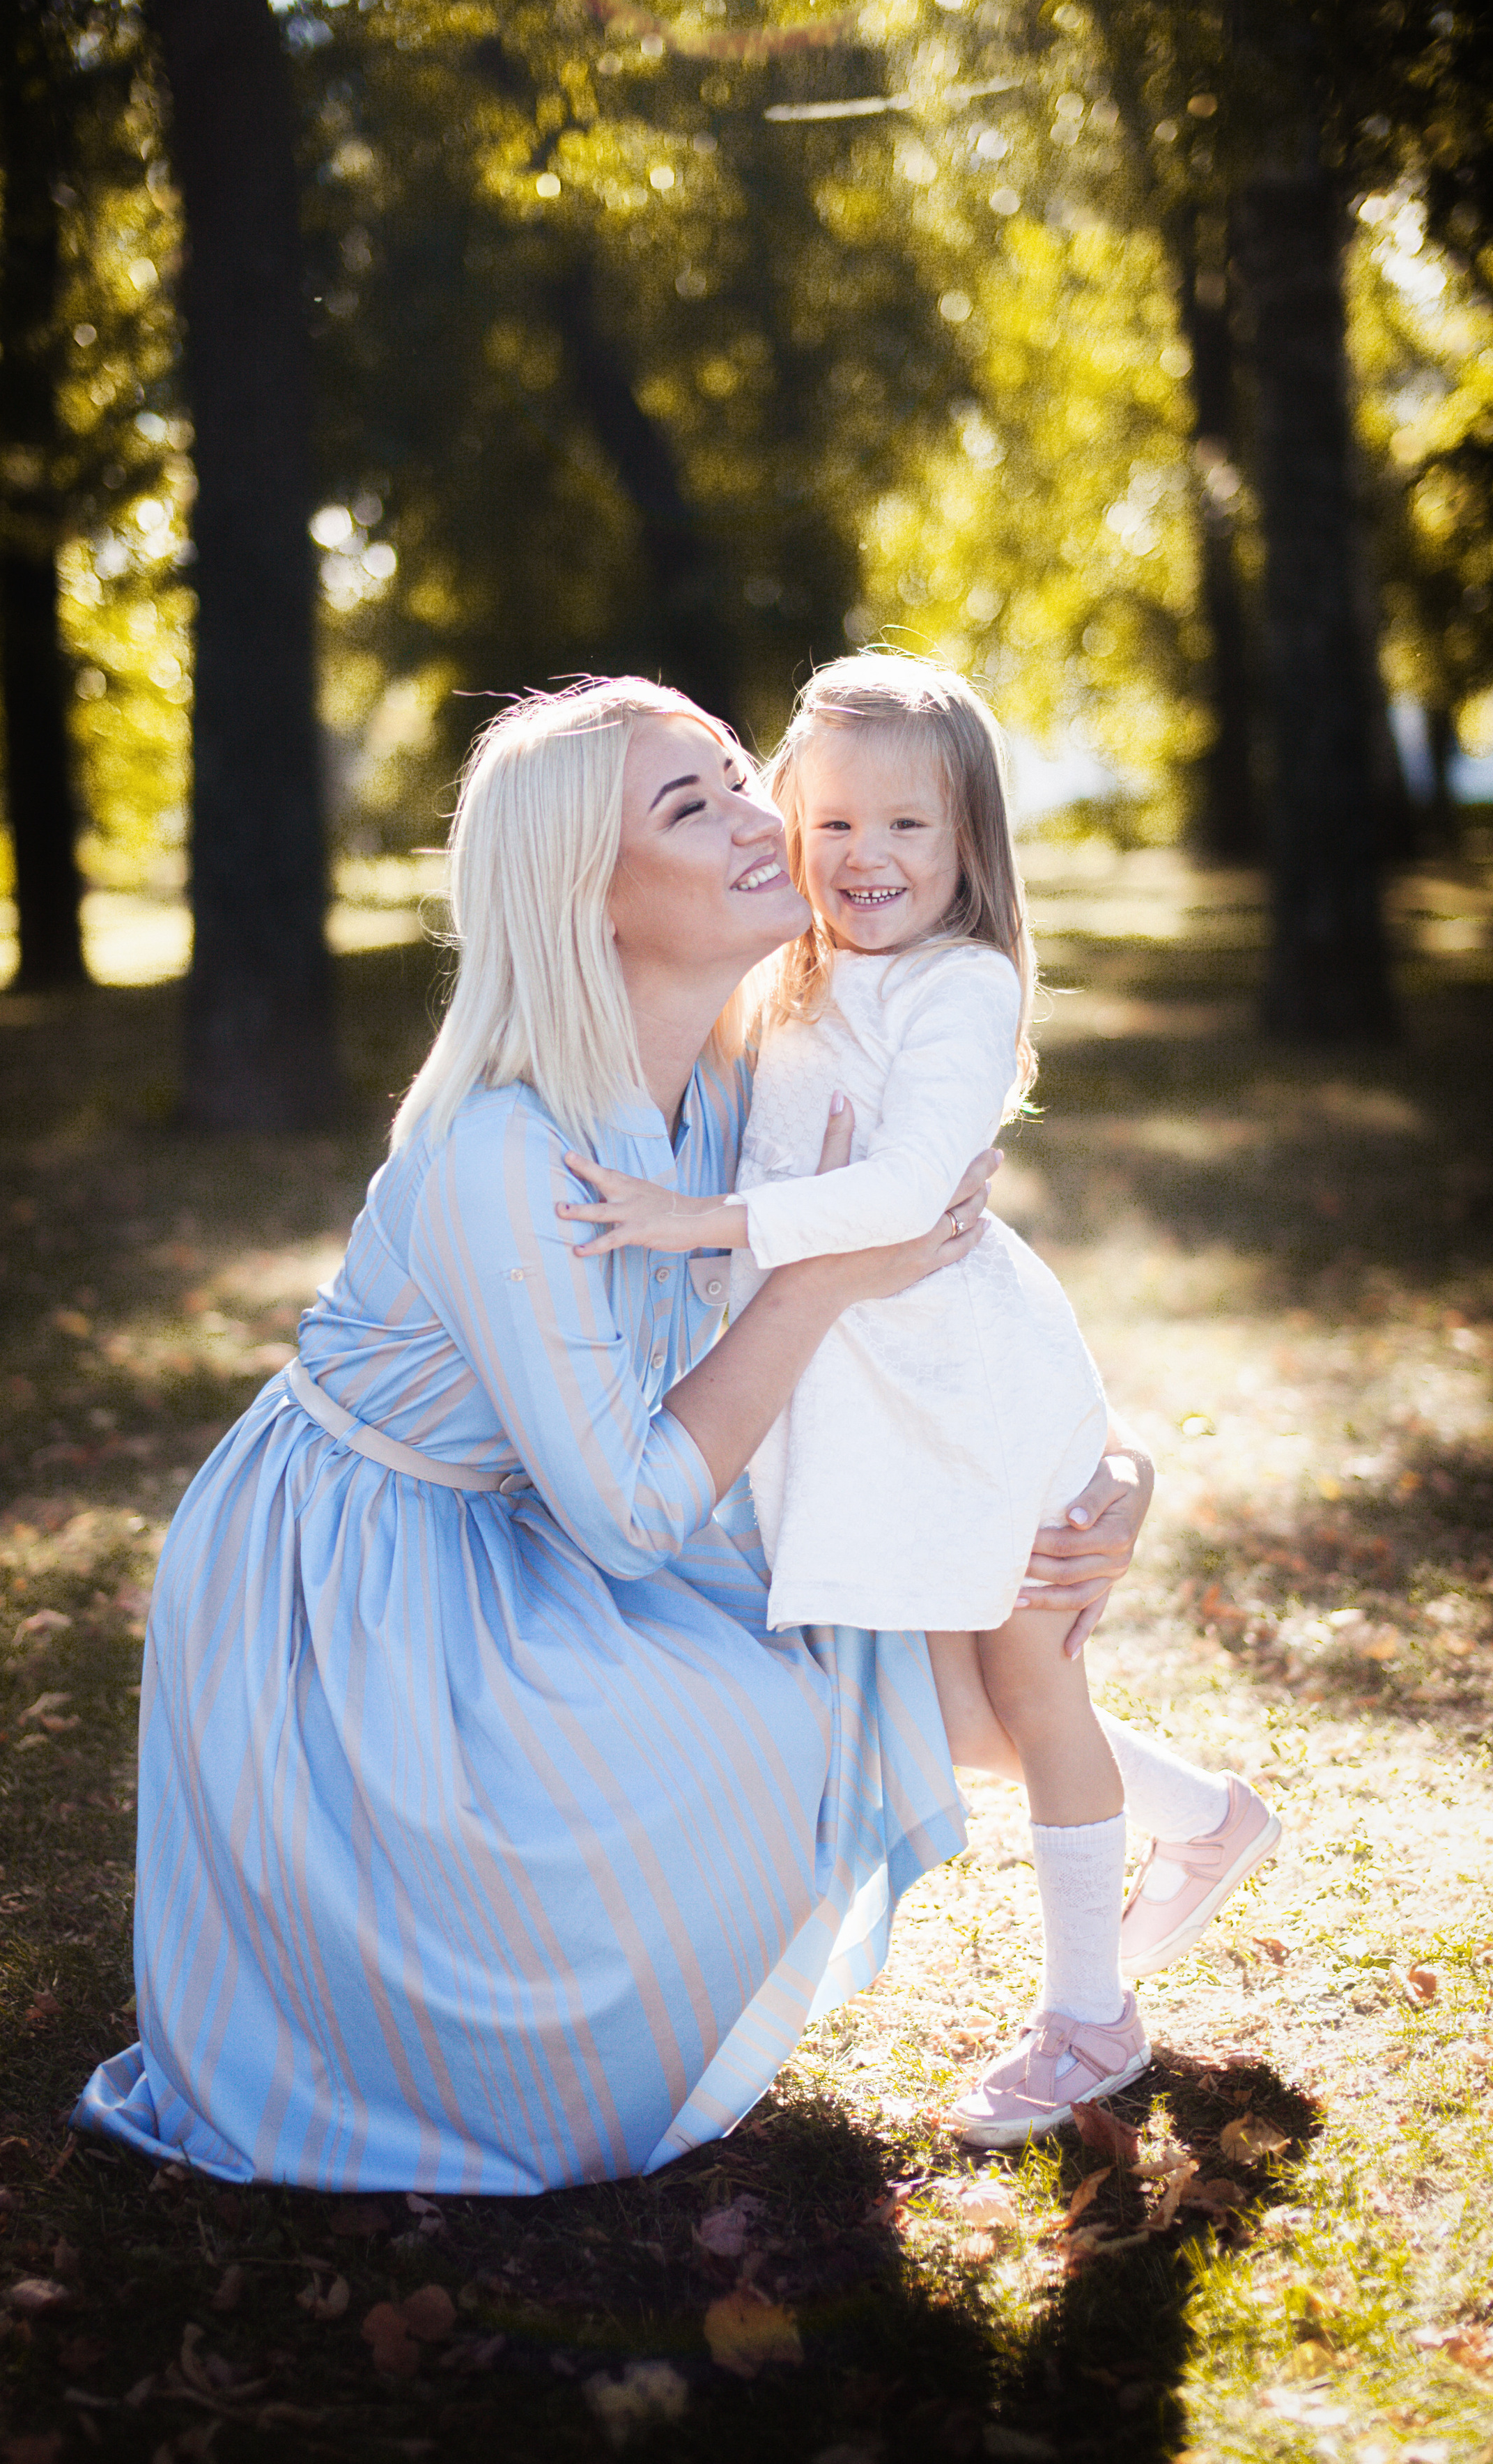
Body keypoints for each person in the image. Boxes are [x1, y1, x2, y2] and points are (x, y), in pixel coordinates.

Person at [74, 675, 1153, 2193]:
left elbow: (942, 1259)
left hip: (526, 1511)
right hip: (352, 1579)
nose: (756, 815)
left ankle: (1170, 1821)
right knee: (760, 1723)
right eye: (688, 803)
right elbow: (637, 1515)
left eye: (733, 773)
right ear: (589, 893)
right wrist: (817, 1279)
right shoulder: (510, 1153)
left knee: (855, 1627)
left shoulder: (726, 1080)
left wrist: (1106, 1466)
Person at [561, 658, 1279, 2146]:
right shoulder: (796, 974)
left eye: (906, 828)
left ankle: (1089, 2019)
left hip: (973, 1389)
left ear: (967, 849)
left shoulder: (958, 983)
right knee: (949, 1703)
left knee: (1024, 1684)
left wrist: (688, 1226)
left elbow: (899, 1194)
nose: (863, 860)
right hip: (878, 1398)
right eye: (830, 824)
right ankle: (1207, 1819)